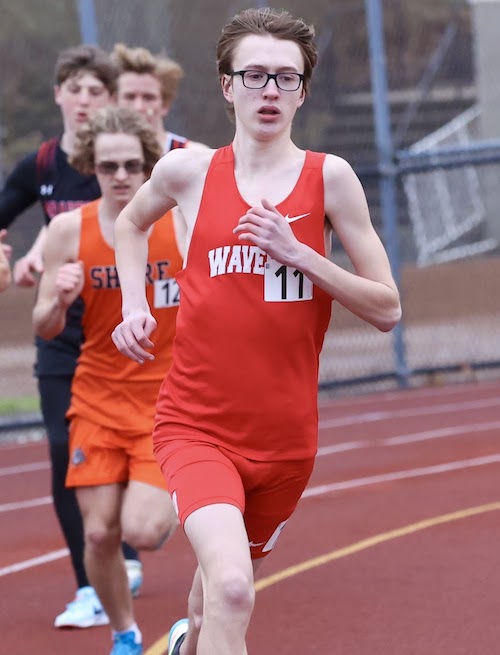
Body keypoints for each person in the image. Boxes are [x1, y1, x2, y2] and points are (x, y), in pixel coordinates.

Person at [111, 7, 402, 655]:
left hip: (286, 442)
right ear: (227, 85)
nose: (269, 90)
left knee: (210, 604)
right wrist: (135, 305)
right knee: (234, 589)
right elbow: (129, 223)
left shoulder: (331, 179)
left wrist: (300, 253)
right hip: (198, 426)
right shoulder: (188, 172)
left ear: (302, 91)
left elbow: (386, 308)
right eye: (254, 75)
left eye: (285, 78)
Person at [0, 44, 143, 628]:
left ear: (109, 99)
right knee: (63, 451)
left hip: (123, 328)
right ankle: (90, 584)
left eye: (95, 90)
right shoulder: (40, 165)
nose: (83, 100)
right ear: (58, 94)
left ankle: (124, 544)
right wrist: (16, 258)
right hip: (63, 328)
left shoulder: (123, 162)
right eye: (74, 89)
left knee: (128, 457)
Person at [33, 106, 180, 655]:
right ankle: (125, 634)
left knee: (142, 532)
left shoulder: (179, 222)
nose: (121, 176)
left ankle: (194, 486)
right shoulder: (67, 230)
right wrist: (59, 300)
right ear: (89, 167)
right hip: (96, 398)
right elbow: (44, 325)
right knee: (98, 534)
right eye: (108, 166)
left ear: (149, 165)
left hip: (166, 402)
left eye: (132, 165)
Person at [112, 43, 208, 153]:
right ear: (114, 101)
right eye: (130, 97)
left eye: (148, 97)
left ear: (165, 104)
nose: (139, 107)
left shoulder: (194, 154)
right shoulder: (100, 155)